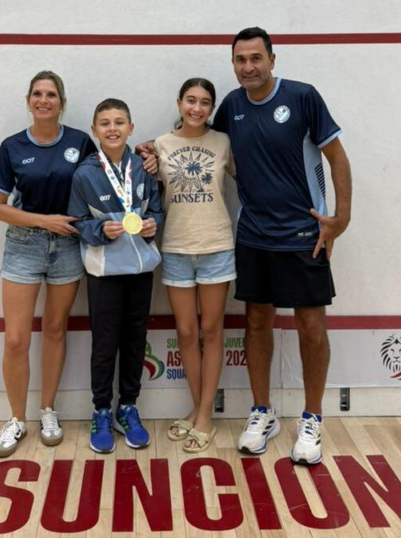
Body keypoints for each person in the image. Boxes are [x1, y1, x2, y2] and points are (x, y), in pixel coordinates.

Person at [211, 27, 353, 462]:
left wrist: (340, 219)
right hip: (253, 234)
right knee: (257, 323)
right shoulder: (231, 106)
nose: (248, 67)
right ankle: (262, 413)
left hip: (303, 235)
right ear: (233, 64)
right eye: (240, 60)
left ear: (273, 59)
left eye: (256, 58)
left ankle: (312, 418)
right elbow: (217, 154)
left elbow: (338, 159)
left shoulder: (304, 97)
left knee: (311, 327)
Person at [0, 71, 97, 456]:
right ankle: (16, 419)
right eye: (37, 94)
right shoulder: (11, 147)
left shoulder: (80, 142)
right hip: (23, 246)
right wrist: (43, 221)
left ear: (61, 102)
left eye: (51, 94)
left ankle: (48, 410)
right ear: (28, 100)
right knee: (15, 339)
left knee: (54, 330)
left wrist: (147, 156)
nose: (43, 100)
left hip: (67, 247)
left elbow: (106, 179)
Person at [67, 98, 164, 454]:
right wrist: (98, 230)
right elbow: (77, 222)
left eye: (119, 122)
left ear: (131, 128)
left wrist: (155, 224)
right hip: (104, 272)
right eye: (105, 123)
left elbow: (157, 209)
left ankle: (129, 407)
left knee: (136, 339)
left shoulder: (144, 168)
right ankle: (101, 410)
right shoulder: (84, 174)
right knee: (105, 343)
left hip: (140, 270)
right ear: (94, 130)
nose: (112, 128)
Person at [154, 78, 235, 453]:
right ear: (179, 102)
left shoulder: (223, 143)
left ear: (211, 108)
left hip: (216, 245)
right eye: (191, 100)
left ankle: (204, 416)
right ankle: (196, 408)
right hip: (175, 248)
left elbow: (252, 179)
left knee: (211, 330)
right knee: (186, 334)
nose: (197, 108)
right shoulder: (160, 145)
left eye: (205, 102)